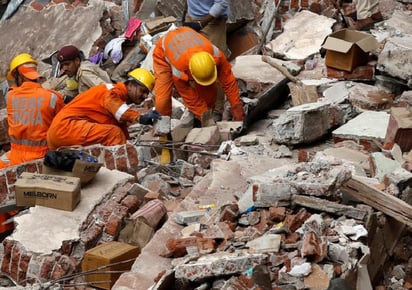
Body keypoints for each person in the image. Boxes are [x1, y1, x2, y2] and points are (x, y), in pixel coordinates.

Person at [47, 68, 161, 150]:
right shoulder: (112, 92)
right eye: (143, 91)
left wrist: (128, 145)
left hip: (59, 132)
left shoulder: (117, 96)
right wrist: (140, 118)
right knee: (114, 134)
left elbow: (120, 124)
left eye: (147, 93)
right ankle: (121, 174)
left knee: (115, 132)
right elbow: (119, 110)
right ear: (130, 85)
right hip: (66, 128)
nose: (145, 96)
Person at [152, 26, 244, 127]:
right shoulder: (179, 70)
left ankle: (205, 118)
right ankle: (163, 134)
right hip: (163, 53)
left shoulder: (216, 54)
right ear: (191, 72)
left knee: (208, 94)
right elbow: (189, 97)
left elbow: (228, 80)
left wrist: (236, 107)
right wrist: (206, 118)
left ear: (213, 62)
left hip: (186, 36)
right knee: (162, 102)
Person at [0, 53, 65, 169]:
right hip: (44, 159)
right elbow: (63, 129)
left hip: (16, 158)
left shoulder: (10, 96)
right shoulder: (53, 97)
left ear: (18, 75)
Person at [42, 45, 112, 103]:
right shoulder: (77, 72)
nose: (64, 68)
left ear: (77, 61)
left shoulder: (84, 73)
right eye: (62, 65)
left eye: (67, 64)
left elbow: (107, 91)